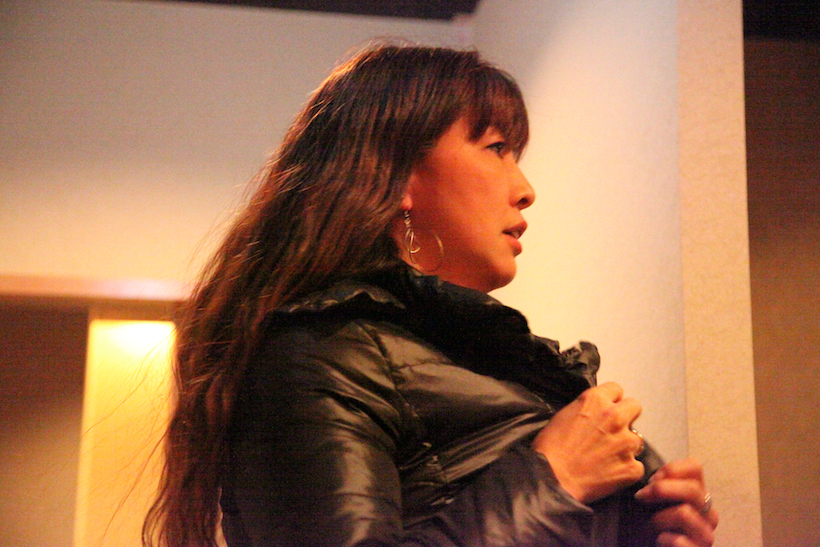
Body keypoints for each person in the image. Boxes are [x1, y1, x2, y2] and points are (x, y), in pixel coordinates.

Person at [143, 45, 718, 547]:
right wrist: (553, 479)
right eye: (496, 148)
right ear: (396, 175)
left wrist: (652, 527)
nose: (525, 190)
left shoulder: (471, 358)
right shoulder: (316, 356)